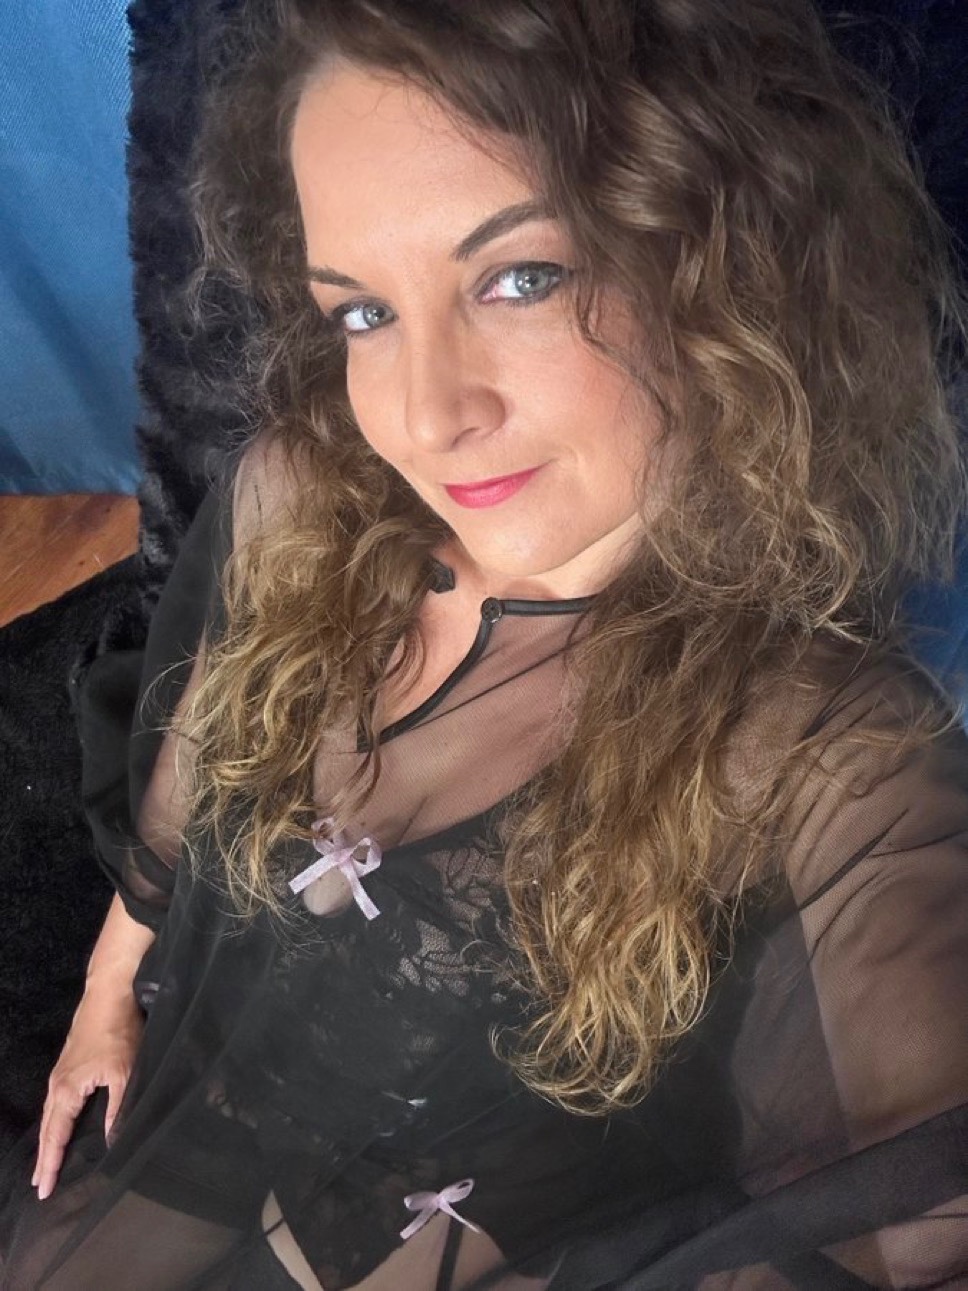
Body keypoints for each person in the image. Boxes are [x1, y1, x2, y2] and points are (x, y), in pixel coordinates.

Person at [3, 0, 968, 1285]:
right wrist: (107, 992)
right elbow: (197, 751)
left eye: (521, 278)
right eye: (363, 313)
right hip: (228, 1087)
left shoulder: (826, 752)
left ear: (713, 263)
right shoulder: (301, 493)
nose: (425, 416)